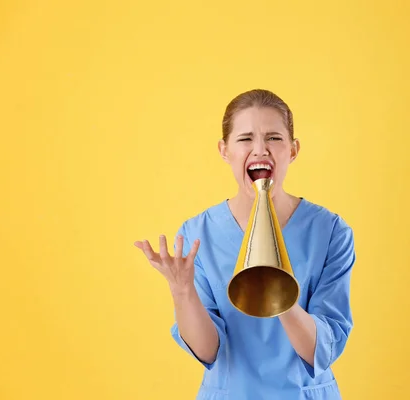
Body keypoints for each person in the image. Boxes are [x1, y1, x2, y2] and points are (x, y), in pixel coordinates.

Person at [134, 89, 356, 399]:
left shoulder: (330, 231)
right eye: (245, 139)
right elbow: (207, 351)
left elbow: (321, 350)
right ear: (225, 151)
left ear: (293, 150)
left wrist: (275, 292)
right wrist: (182, 291)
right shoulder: (199, 233)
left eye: (274, 138)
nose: (260, 149)